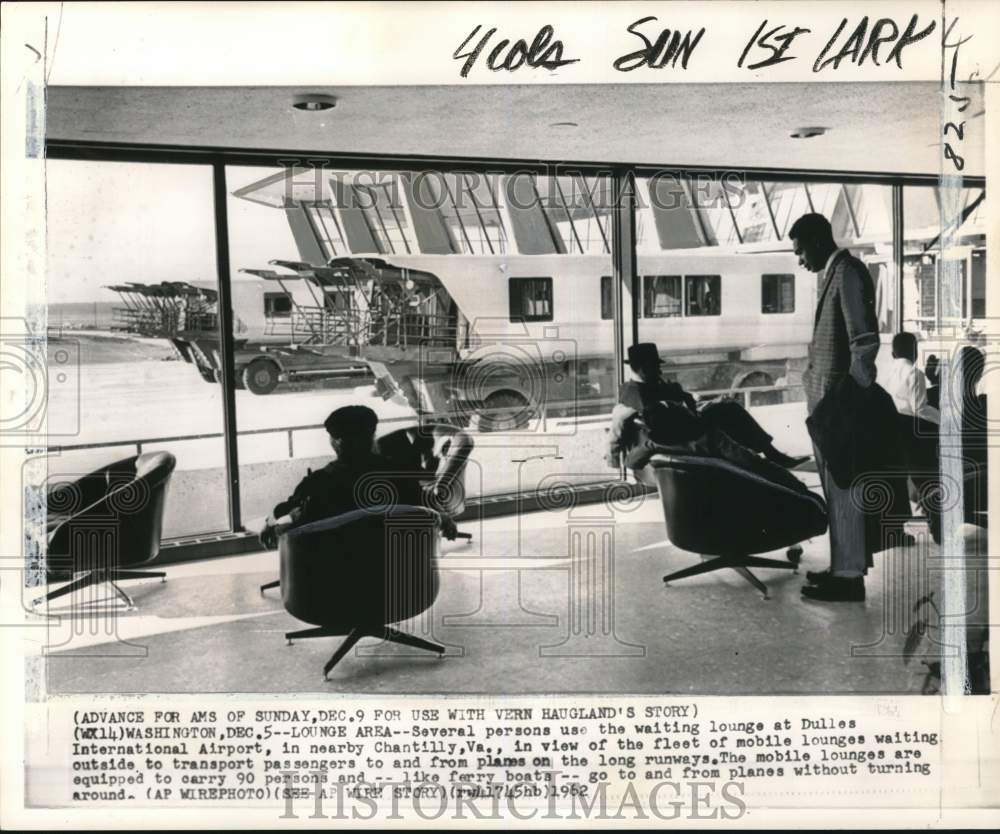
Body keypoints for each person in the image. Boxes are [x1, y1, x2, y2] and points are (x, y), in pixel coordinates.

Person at [793, 212, 887, 602]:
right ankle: (841, 567)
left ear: (817, 242)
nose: (799, 260)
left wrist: (847, 400)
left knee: (845, 490)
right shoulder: (832, 273)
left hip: (838, 407)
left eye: (800, 252)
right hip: (828, 407)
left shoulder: (847, 273)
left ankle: (848, 578)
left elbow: (863, 342)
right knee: (837, 490)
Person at [259, 405, 453, 549]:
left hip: (332, 587)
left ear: (335, 442)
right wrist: (444, 519)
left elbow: (292, 516)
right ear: (372, 436)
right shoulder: (399, 475)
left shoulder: (316, 484)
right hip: (397, 580)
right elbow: (423, 508)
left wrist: (270, 525)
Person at [607, 342, 809, 471]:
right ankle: (770, 456)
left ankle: (767, 455)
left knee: (728, 406)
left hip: (686, 423)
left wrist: (683, 398)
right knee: (731, 410)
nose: (660, 369)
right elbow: (633, 418)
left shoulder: (644, 386)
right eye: (656, 366)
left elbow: (677, 397)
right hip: (687, 432)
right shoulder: (637, 394)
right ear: (643, 368)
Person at [881, 332, 939, 426]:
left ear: (893, 354)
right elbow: (919, 409)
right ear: (915, 353)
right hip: (909, 426)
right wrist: (942, 419)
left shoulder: (886, 372)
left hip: (889, 423)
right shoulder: (915, 373)